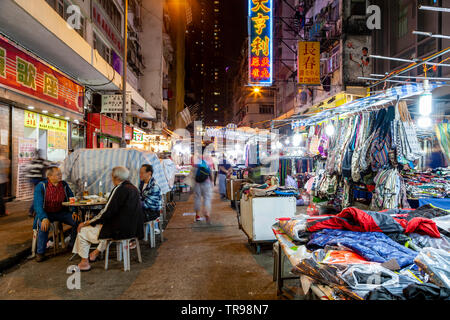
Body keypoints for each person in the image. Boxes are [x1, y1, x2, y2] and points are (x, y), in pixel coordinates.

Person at [72, 166, 144, 271]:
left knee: (82, 231)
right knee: (102, 226)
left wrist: (87, 222)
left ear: (115, 177)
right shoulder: (133, 188)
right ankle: (95, 253)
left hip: (120, 231)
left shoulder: (119, 189)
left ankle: (84, 262)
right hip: (134, 229)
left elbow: (106, 212)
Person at [33, 166, 78, 262]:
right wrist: (44, 217)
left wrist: (74, 211)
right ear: (49, 176)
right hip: (46, 213)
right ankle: (40, 252)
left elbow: (71, 198)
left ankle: (71, 245)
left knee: (76, 221)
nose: (60, 176)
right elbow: (37, 205)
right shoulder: (41, 186)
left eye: (60, 174)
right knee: (44, 225)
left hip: (61, 212)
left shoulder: (64, 185)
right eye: (58, 174)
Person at [25, 149, 55, 217]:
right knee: (39, 195)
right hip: (38, 180)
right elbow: (51, 164)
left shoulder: (33, 161)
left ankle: (34, 210)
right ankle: (32, 210)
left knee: (38, 195)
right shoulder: (41, 161)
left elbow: (27, 170)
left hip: (32, 180)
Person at [139, 164, 162, 233]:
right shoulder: (141, 184)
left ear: (149, 173)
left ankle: (134, 237)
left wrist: (133, 203)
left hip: (152, 212)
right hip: (144, 210)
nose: (140, 174)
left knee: (130, 215)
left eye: (142, 173)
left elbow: (148, 204)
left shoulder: (154, 186)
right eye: (140, 173)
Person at [193, 151, 212, 224]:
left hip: (197, 183)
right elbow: (210, 173)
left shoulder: (196, 164)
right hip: (206, 183)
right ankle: (207, 212)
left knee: (197, 198)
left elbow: (193, 175)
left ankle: (197, 216)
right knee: (207, 198)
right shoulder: (207, 163)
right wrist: (212, 182)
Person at [0, 152, 10, 217]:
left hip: (2, 180)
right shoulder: (4, 159)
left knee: (1, 197)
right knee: (1, 197)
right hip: (3, 180)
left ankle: (2, 212)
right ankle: (2, 212)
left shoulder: (2, 159)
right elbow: (6, 169)